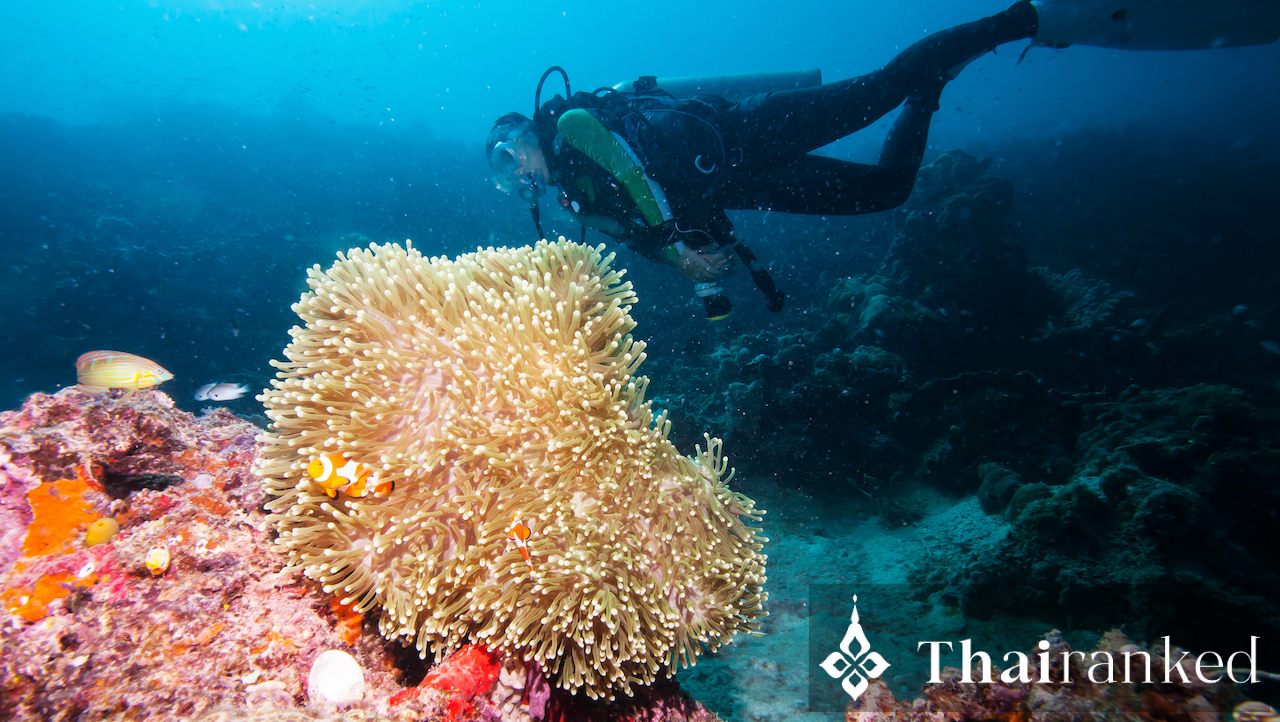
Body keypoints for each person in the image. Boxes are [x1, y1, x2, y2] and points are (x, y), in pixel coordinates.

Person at [485, 0, 1279, 319]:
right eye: (500, 169)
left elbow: (633, 173)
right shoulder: (573, 202)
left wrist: (670, 239)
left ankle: (1027, 18)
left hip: (743, 133)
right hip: (746, 181)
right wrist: (687, 262)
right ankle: (933, 91)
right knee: (886, 191)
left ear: (526, 131)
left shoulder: (575, 123)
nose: (511, 170)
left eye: (507, 151)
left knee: (879, 84)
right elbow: (639, 237)